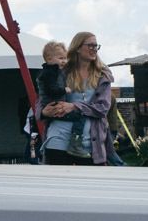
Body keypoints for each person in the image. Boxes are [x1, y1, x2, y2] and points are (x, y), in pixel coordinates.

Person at [37, 34, 114, 166]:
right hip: (58, 138)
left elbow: (103, 108)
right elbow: (41, 99)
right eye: (90, 45)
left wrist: (74, 106)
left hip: (90, 143)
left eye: (96, 46)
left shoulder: (103, 75)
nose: (94, 49)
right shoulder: (61, 70)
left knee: (89, 184)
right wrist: (44, 112)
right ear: (77, 48)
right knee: (57, 184)